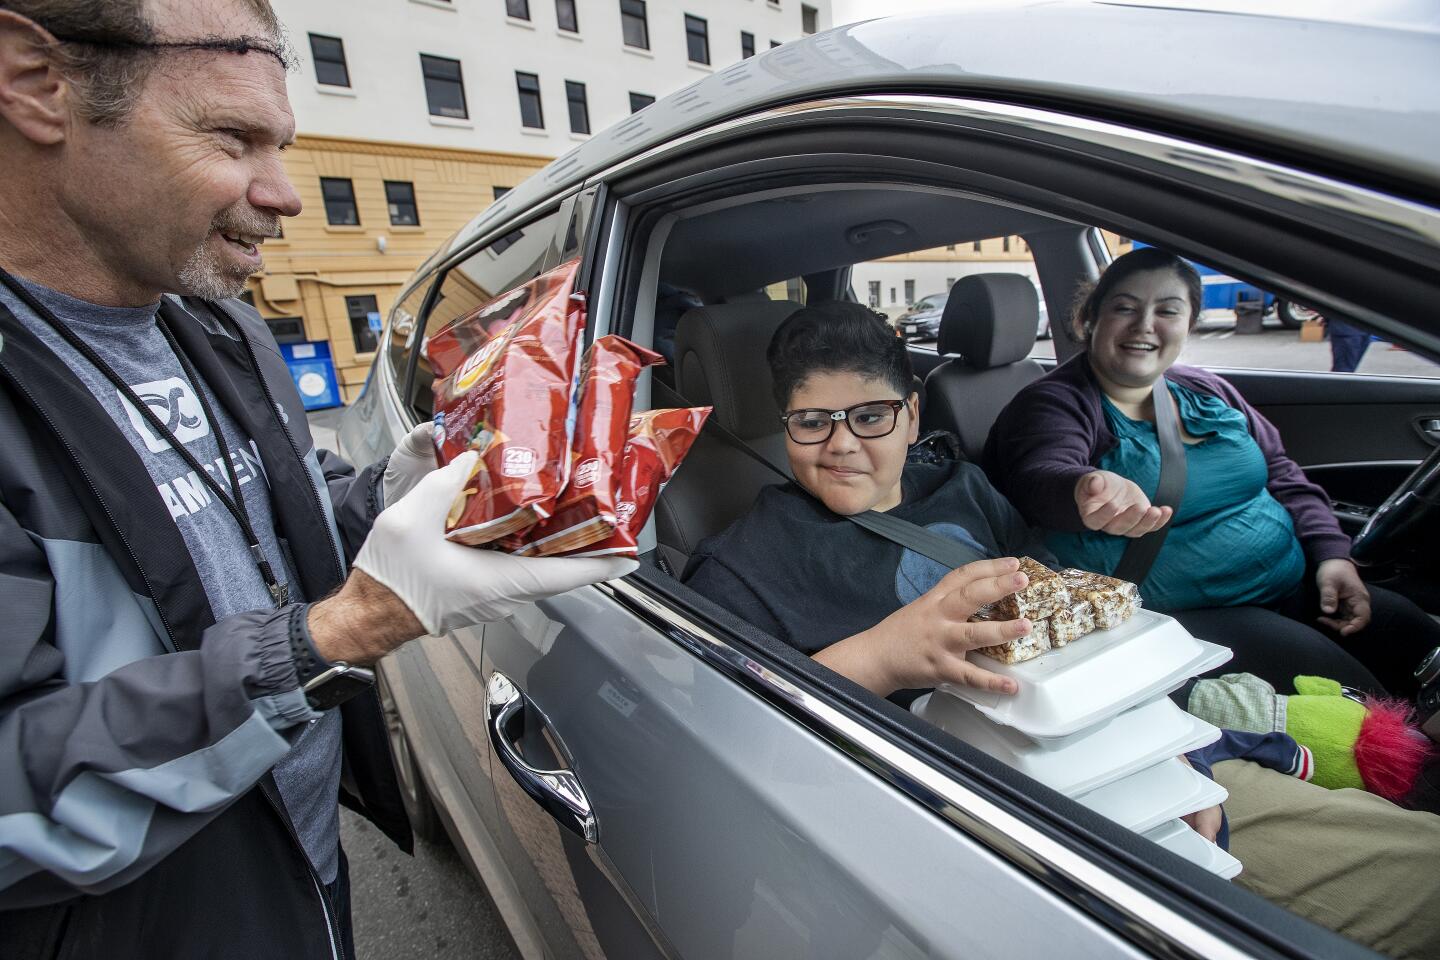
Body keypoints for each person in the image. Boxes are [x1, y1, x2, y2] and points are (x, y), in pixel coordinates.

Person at [0, 3, 632, 957]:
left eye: (283, 144)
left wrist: (396, 487)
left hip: (296, 880)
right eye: (233, 137)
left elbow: (274, 533)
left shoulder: (219, 329)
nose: (287, 194)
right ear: (37, 83)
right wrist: (347, 631)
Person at [682, 301, 1440, 958]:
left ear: (912, 412)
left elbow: (1079, 638)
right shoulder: (743, 565)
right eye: (812, 423)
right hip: (976, 831)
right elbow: (719, 741)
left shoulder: (962, 487)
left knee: (1420, 866)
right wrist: (884, 657)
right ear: (785, 427)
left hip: (1122, 759)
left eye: (869, 415)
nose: (842, 444)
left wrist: (1172, 762)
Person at [983, 247, 1439, 698]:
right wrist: (1084, 489)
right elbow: (1039, 475)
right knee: (1361, 699)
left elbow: (1280, 472)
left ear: (1189, 324)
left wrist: (1331, 555)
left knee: (1413, 634)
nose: (1144, 325)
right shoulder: (1055, 402)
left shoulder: (1204, 387)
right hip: (1192, 616)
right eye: (1125, 307)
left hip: (1295, 585)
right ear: (1091, 318)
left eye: (1168, 310)